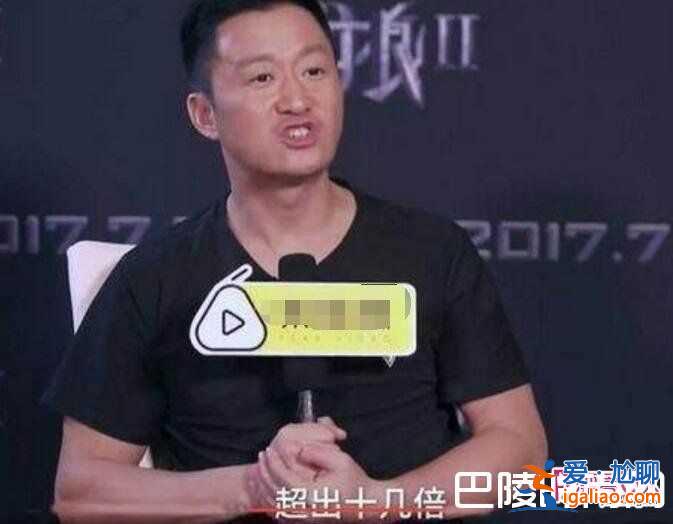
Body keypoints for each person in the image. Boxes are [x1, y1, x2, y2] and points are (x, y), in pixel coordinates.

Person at [42, 0, 548, 522]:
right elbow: (80, 491)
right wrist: (254, 488)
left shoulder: (433, 252)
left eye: (313, 71)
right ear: (205, 114)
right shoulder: (155, 278)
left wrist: (377, 502)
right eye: (262, 78)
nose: (297, 100)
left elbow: (521, 449)